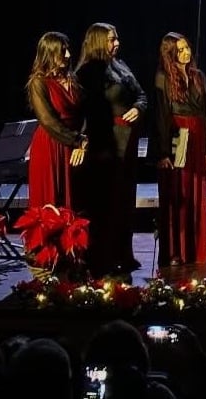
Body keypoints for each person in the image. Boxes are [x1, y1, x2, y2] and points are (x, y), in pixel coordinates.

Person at [75, 23, 147, 276]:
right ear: (97, 42)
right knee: (106, 203)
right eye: (111, 40)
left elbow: (141, 95)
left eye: (116, 39)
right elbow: (87, 112)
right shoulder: (87, 72)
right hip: (106, 143)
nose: (117, 43)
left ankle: (123, 254)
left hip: (127, 142)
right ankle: (102, 258)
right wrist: (82, 141)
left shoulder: (120, 65)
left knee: (125, 200)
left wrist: (138, 108)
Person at [149, 32, 206, 266]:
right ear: (170, 54)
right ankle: (175, 252)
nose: (186, 53)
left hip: (197, 140)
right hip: (176, 137)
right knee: (177, 194)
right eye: (180, 50)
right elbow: (160, 116)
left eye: (187, 48)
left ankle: (196, 251)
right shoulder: (163, 77)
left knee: (196, 193)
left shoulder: (198, 76)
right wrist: (162, 153)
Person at [25, 32, 87, 212]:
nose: (68, 55)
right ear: (49, 53)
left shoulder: (73, 79)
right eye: (62, 51)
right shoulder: (38, 83)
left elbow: (85, 113)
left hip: (73, 144)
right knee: (51, 201)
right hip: (51, 144)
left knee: (74, 200)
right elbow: (47, 120)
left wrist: (82, 140)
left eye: (67, 50)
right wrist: (78, 140)